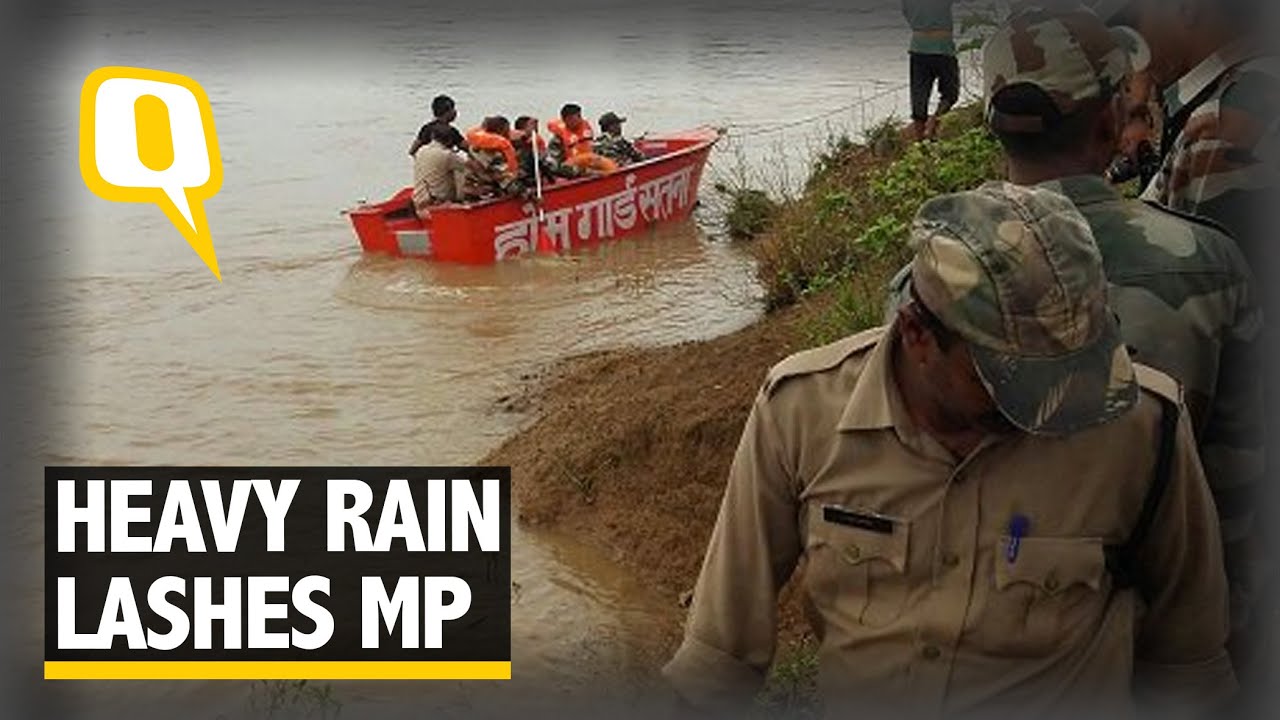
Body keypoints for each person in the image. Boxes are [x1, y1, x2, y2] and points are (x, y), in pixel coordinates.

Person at [664, 182, 1235, 718]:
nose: (1048, 407)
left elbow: (1189, 669)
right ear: (916, 334)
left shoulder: (1142, 427)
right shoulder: (800, 411)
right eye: (1012, 380)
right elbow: (717, 665)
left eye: (1070, 370)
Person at [978, 3, 1265, 679]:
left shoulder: (927, 281)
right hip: (1187, 622)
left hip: (1021, 630)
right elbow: (1240, 468)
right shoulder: (1213, 264)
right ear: (1112, 121)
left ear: (995, 128)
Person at [901, 0, 959, 141]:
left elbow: (906, 13)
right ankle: (934, 121)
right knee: (950, 93)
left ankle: (919, 141)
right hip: (943, 47)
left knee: (918, 96)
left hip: (918, 46)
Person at [411, 123, 471, 215]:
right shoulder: (448, 155)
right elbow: (471, 168)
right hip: (437, 206)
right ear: (450, 141)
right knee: (461, 174)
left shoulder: (421, 150)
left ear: (432, 136)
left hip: (418, 202)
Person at [547, 103, 617, 175]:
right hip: (573, 172)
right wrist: (582, 171)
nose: (580, 120)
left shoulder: (585, 129)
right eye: (576, 117)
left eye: (580, 116)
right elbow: (554, 166)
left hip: (592, 164)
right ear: (566, 120)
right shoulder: (557, 140)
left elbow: (593, 149)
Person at [462, 116, 520, 200]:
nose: (509, 133)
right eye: (507, 130)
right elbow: (505, 180)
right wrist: (526, 193)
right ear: (501, 131)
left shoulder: (474, 147)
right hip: (483, 193)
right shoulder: (494, 153)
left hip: (469, 188)